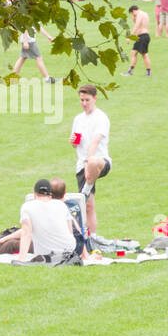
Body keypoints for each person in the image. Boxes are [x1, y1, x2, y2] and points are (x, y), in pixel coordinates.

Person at [71, 84, 111, 235]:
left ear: (95, 98)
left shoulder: (101, 118)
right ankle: (91, 240)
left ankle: (87, 186)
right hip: (82, 164)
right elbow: (77, 144)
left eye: (87, 100)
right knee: (87, 206)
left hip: (100, 162)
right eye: (81, 100)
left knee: (93, 161)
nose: (84, 103)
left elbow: (94, 142)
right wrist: (73, 141)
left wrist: (88, 162)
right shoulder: (78, 119)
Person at [14, 178, 78, 263]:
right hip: (69, 250)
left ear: (34, 193)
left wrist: (21, 259)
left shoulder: (27, 207)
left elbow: (26, 233)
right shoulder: (61, 205)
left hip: (45, 253)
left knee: (11, 244)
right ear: (50, 193)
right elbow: (70, 231)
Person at [122, 5, 151, 75]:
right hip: (144, 36)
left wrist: (129, 37)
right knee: (133, 53)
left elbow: (137, 25)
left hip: (142, 36)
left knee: (144, 54)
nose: (133, 15)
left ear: (133, 11)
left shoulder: (139, 14)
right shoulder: (145, 14)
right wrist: (134, 18)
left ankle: (148, 72)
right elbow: (140, 24)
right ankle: (130, 71)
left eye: (132, 14)